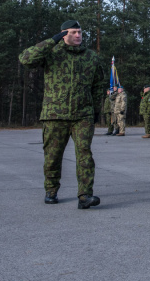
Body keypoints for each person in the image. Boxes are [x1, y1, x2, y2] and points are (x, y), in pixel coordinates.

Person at [19, 19, 106, 208]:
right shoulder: (52, 53)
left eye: (80, 32)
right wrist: (52, 41)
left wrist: (95, 110)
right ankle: (51, 190)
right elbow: (26, 59)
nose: (78, 35)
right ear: (63, 34)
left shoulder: (91, 57)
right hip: (54, 115)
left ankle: (85, 196)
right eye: (73, 32)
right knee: (52, 155)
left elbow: (99, 84)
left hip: (82, 115)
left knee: (85, 154)